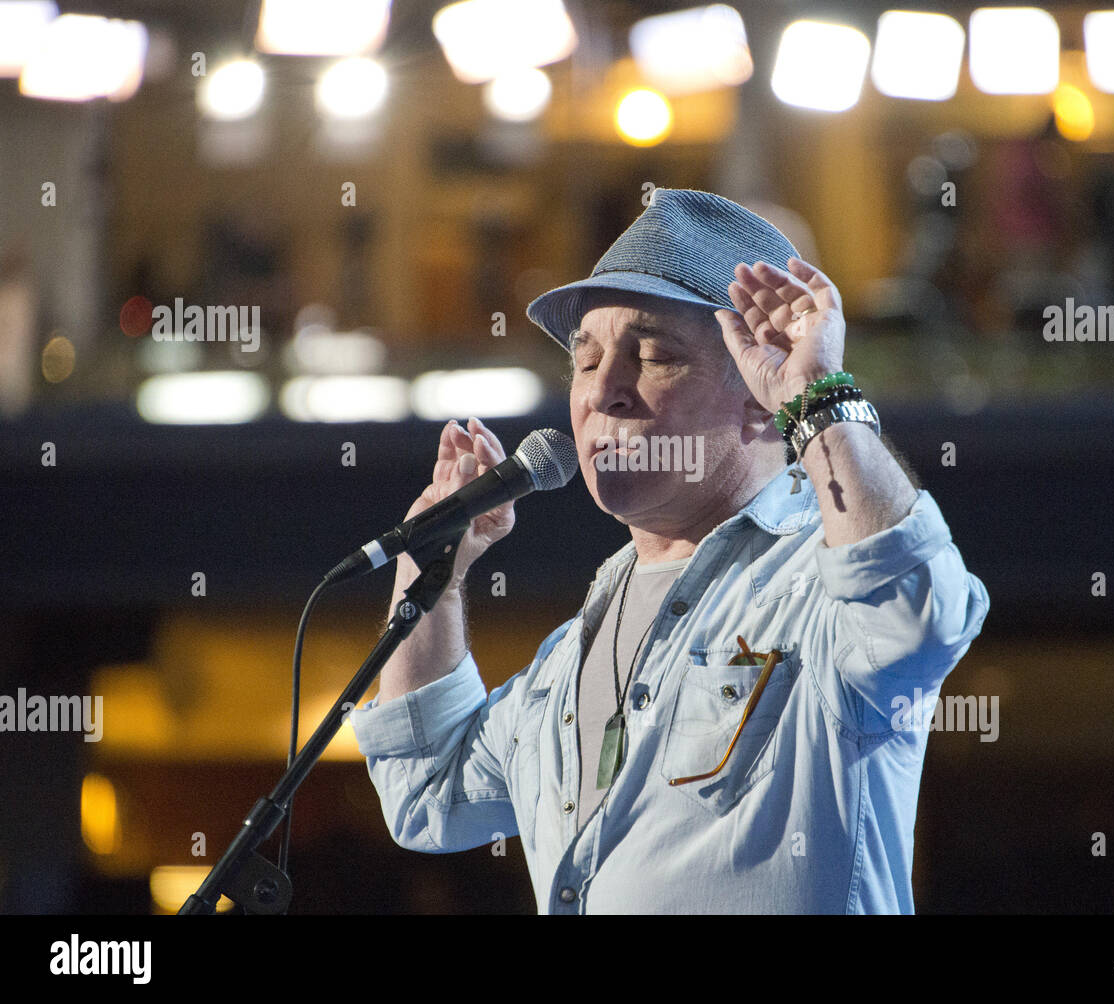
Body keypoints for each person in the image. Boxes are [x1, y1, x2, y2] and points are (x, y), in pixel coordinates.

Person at [351, 189, 989, 913]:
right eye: (586, 361)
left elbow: (919, 615)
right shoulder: (566, 660)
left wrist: (818, 395)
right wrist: (430, 570)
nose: (605, 392)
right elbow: (428, 793)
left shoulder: (815, 588)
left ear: (760, 391)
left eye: (652, 356)